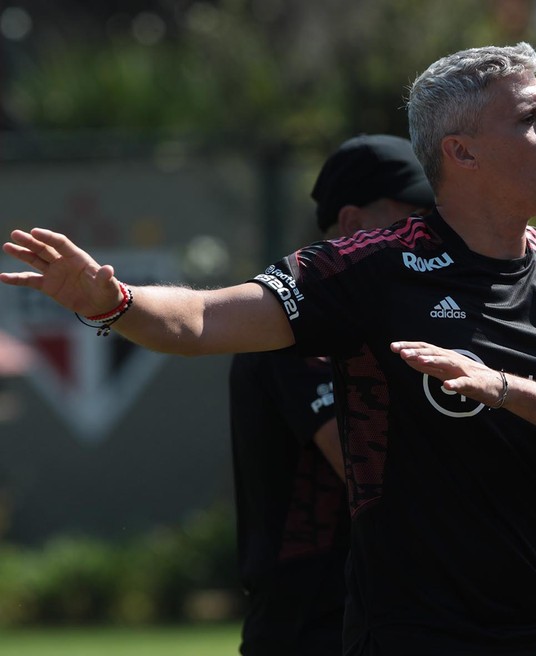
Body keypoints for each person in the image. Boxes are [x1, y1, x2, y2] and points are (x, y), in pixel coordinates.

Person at [0, 42, 536, 656]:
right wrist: (108, 301)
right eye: (529, 117)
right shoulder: (370, 269)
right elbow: (200, 320)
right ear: (461, 153)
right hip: (408, 639)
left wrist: (503, 388)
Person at [229, 134, 434, 656]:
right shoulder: (296, 324)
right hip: (309, 622)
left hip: (384, 613)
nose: (429, 234)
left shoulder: (404, 313)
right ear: (352, 224)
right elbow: (364, 467)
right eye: (412, 216)